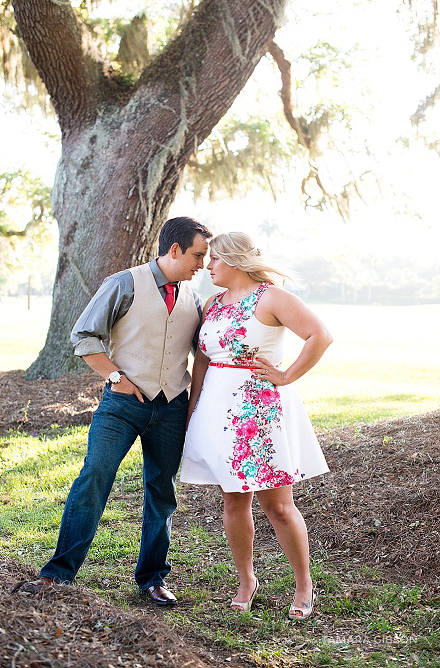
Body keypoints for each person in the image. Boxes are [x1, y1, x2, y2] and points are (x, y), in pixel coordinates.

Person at [20, 217, 212, 606]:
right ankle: (58, 574)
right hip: (122, 404)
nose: (202, 265)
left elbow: (203, 352)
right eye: (197, 255)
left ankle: (153, 578)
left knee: (163, 491)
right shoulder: (123, 283)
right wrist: (114, 376)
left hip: (172, 406)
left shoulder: (193, 297)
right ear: (174, 250)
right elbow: (83, 335)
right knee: (94, 477)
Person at [181, 231, 331, 620]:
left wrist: (286, 375)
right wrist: (193, 409)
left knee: (278, 506)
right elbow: (201, 360)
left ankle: (304, 586)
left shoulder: (272, 298)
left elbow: (320, 335)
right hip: (217, 410)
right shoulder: (213, 303)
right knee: (233, 499)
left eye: (213, 259)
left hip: (259, 414)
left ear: (233, 261)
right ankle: (247, 580)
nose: (208, 266)